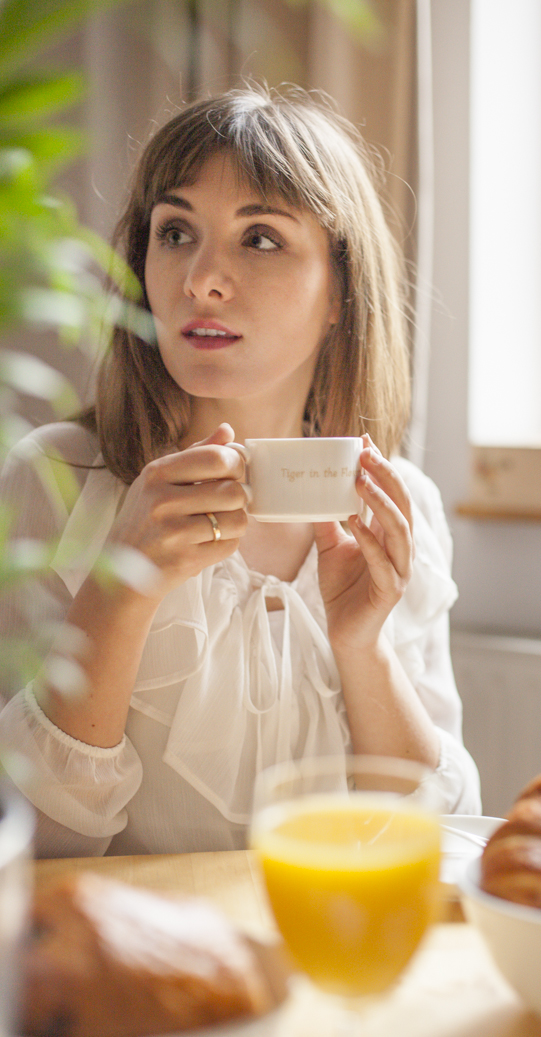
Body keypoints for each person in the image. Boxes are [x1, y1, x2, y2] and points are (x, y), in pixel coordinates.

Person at [0, 84, 481, 858]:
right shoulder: (55, 477)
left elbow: (433, 843)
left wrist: (365, 648)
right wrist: (119, 597)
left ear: (340, 290)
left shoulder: (402, 508)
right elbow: (31, 848)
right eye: (175, 232)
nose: (199, 280)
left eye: (259, 238)